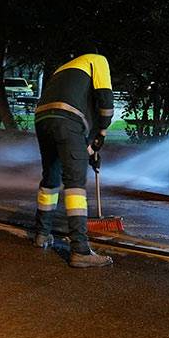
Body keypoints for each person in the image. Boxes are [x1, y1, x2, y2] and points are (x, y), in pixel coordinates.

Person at [31, 50, 116, 268]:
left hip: (43, 118)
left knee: (51, 178)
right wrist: (103, 132)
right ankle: (80, 250)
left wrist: (90, 149)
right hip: (68, 120)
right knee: (75, 184)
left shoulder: (64, 71)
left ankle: (41, 234)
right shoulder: (98, 60)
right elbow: (105, 102)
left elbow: (77, 135)